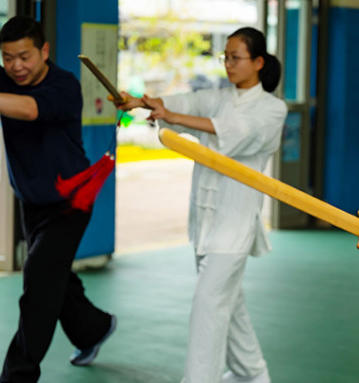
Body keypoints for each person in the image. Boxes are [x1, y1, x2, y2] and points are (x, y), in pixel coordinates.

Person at [0, 16, 116, 382]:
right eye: (8, 57)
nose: (16, 66)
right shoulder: (1, 78)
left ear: (44, 51)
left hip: (71, 201)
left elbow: (29, 108)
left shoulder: (63, 85)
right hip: (32, 200)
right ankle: (94, 328)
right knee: (54, 277)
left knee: (39, 282)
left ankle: (17, 377)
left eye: (24, 56)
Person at [115, 27, 287, 383]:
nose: (228, 64)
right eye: (225, 57)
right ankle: (252, 374)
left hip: (234, 224)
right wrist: (142, 103)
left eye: (235, 57)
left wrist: (171, 117)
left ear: (258, 62)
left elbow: (230, 132)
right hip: (205, 220)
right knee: (229, 303)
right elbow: (185, 103)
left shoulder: (272, 109)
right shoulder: (220, 97)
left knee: (209, 306)